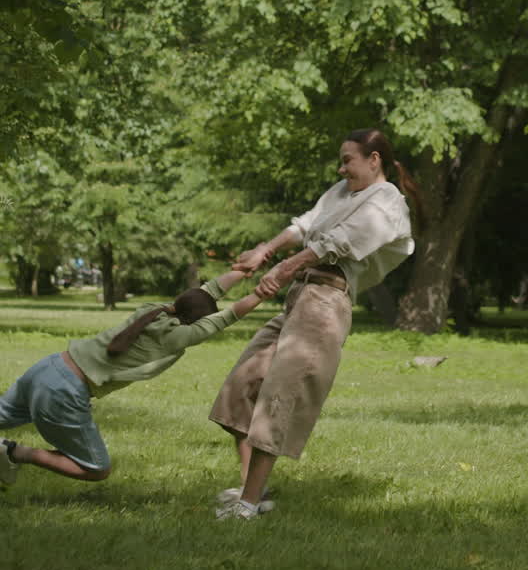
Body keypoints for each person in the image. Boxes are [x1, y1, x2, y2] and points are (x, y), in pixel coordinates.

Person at [210, 127, 423, 523]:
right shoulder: (341, 194)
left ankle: (248, 505)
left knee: (280, 394)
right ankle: (254, 493)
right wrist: (266, 250)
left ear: (373, 160)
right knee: (243, 385)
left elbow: (339, 242)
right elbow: (306, 226)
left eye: (348, 160)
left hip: (327, 300)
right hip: (299, 298)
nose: (341, 168)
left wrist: (286, 267)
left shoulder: (387, 200)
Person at [0, 269, 279, 490]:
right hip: (64, 391)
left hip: (49, 366)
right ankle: (14, 453)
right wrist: (262, 293)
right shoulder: (177, 337)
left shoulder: (152, 309)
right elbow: (227, 316)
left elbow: (207, 291)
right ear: (196, 322)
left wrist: (244, 270)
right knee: (96, 468)